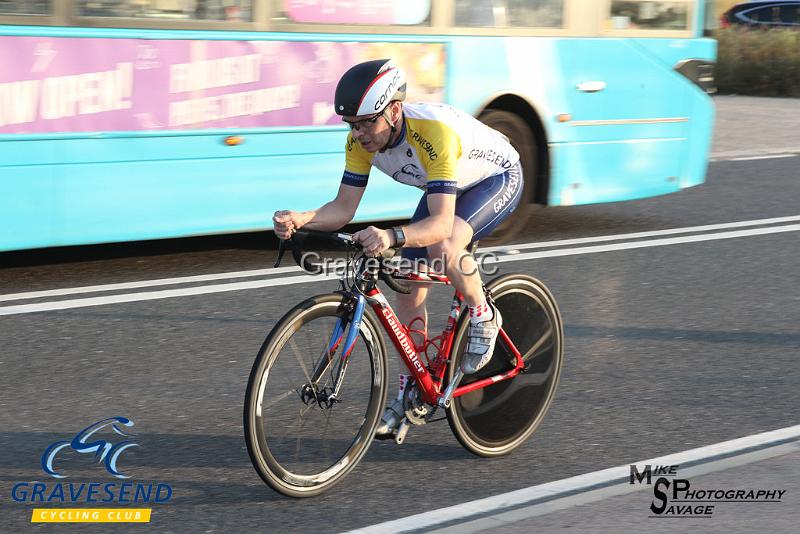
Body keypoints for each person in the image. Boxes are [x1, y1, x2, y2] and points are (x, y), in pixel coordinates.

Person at [273, 59, 524, 437]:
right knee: (409, 281)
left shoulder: (433, 133)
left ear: (393, 110)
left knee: (444, 243)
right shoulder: (361, 140)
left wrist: (391, 236)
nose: (359, 134)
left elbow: (440, 224)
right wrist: (302, 218)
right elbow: (343, 209)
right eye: (352, 125)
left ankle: (483, 312)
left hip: (495, 179)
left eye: (366, 123)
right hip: (446, 185)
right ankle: (415, 387)